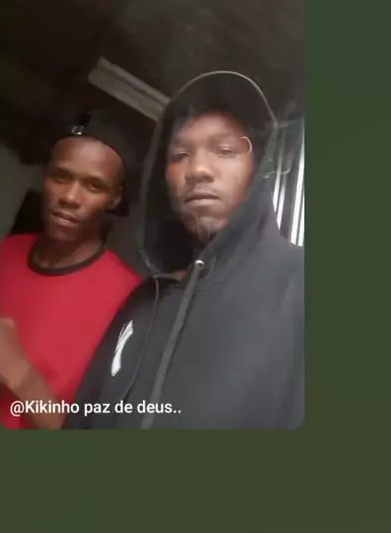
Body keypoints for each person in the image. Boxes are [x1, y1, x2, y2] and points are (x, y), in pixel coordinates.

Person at [62, 71, 304, 429]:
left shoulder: (302, 286)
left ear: (259, 168)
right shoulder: (143, 302)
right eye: (179, 155)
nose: (198, 169)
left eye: (225, 151)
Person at [0, 110, 141, 429]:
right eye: (61, 176)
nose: (70, 197)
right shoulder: (7, 250)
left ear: (115, 197)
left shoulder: (130, 303)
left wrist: (20, 374)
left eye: (93, 186)